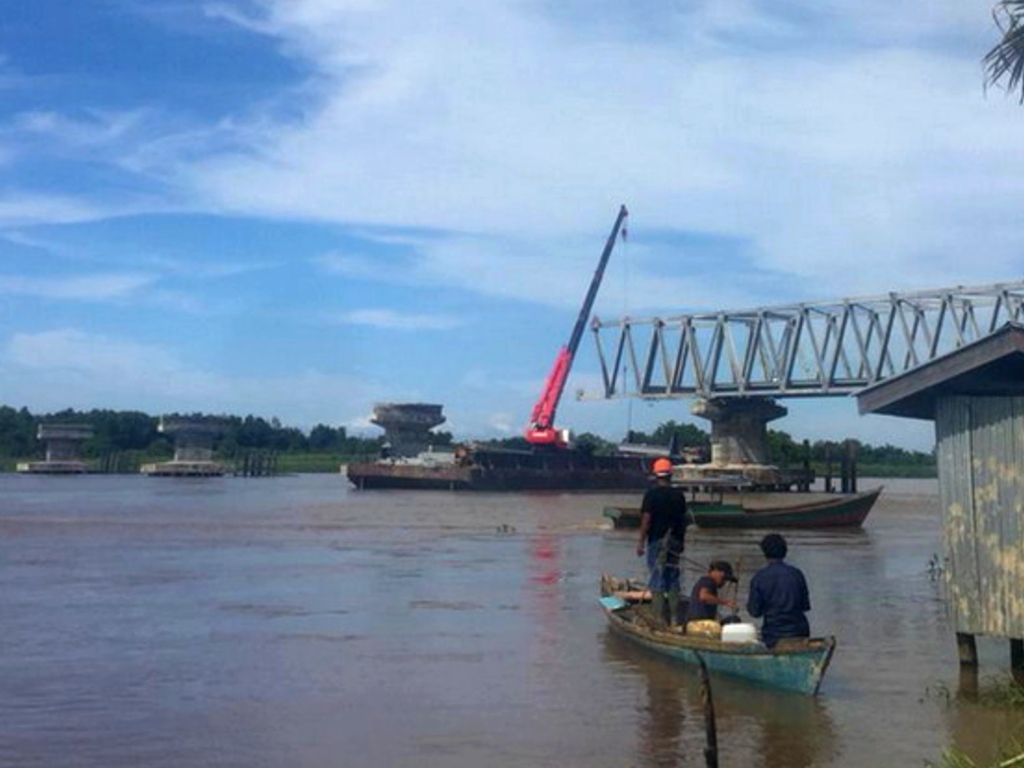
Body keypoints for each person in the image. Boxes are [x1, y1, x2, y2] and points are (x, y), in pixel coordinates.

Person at [636, 457, 691, 625]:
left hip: (656, 541)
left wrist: (640, 542)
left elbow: (646, 520)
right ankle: (674, 619)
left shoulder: (651, 495)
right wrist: (681, 542)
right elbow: (683, 520)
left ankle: (659, 618)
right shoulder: (679, 495)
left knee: (657, 577)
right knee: (673, 576)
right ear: (671, 475)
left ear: (656, 475)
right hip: (675, 542)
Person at [746, 533, 811, 648]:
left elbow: (754, 612)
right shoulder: (797, 574)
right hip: (799, 632)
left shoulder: (759, 578)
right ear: (785, 551)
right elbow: (805, 606)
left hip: (773, 634)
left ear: (764, 553)